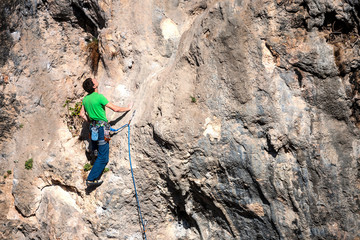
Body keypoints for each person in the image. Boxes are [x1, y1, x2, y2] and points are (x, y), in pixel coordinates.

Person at [79, 77, 132, 187]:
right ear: (94, 86)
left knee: (97, 151)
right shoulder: (99, 97)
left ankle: (94, 163)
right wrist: (127, 108)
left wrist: (90, 121)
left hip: (92, 127)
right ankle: (91, 179)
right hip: (101, 129)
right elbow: (115, 109)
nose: (95, 79)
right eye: (94, 80)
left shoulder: (85, 99)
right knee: (104, 157)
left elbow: (81, 114)